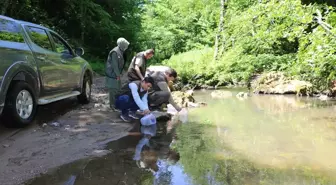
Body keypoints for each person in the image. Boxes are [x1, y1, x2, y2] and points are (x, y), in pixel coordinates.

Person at [105, 37, 130, 111]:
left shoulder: (120, 51)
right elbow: (114, 65)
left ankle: (116, 105)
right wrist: (118, 75)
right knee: (113, 90)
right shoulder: (115, 52)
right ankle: (112, 106)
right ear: (122, 44)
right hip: (112, 74)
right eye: (125, 45)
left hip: (116, 74)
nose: (126, 47)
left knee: (118, 89)